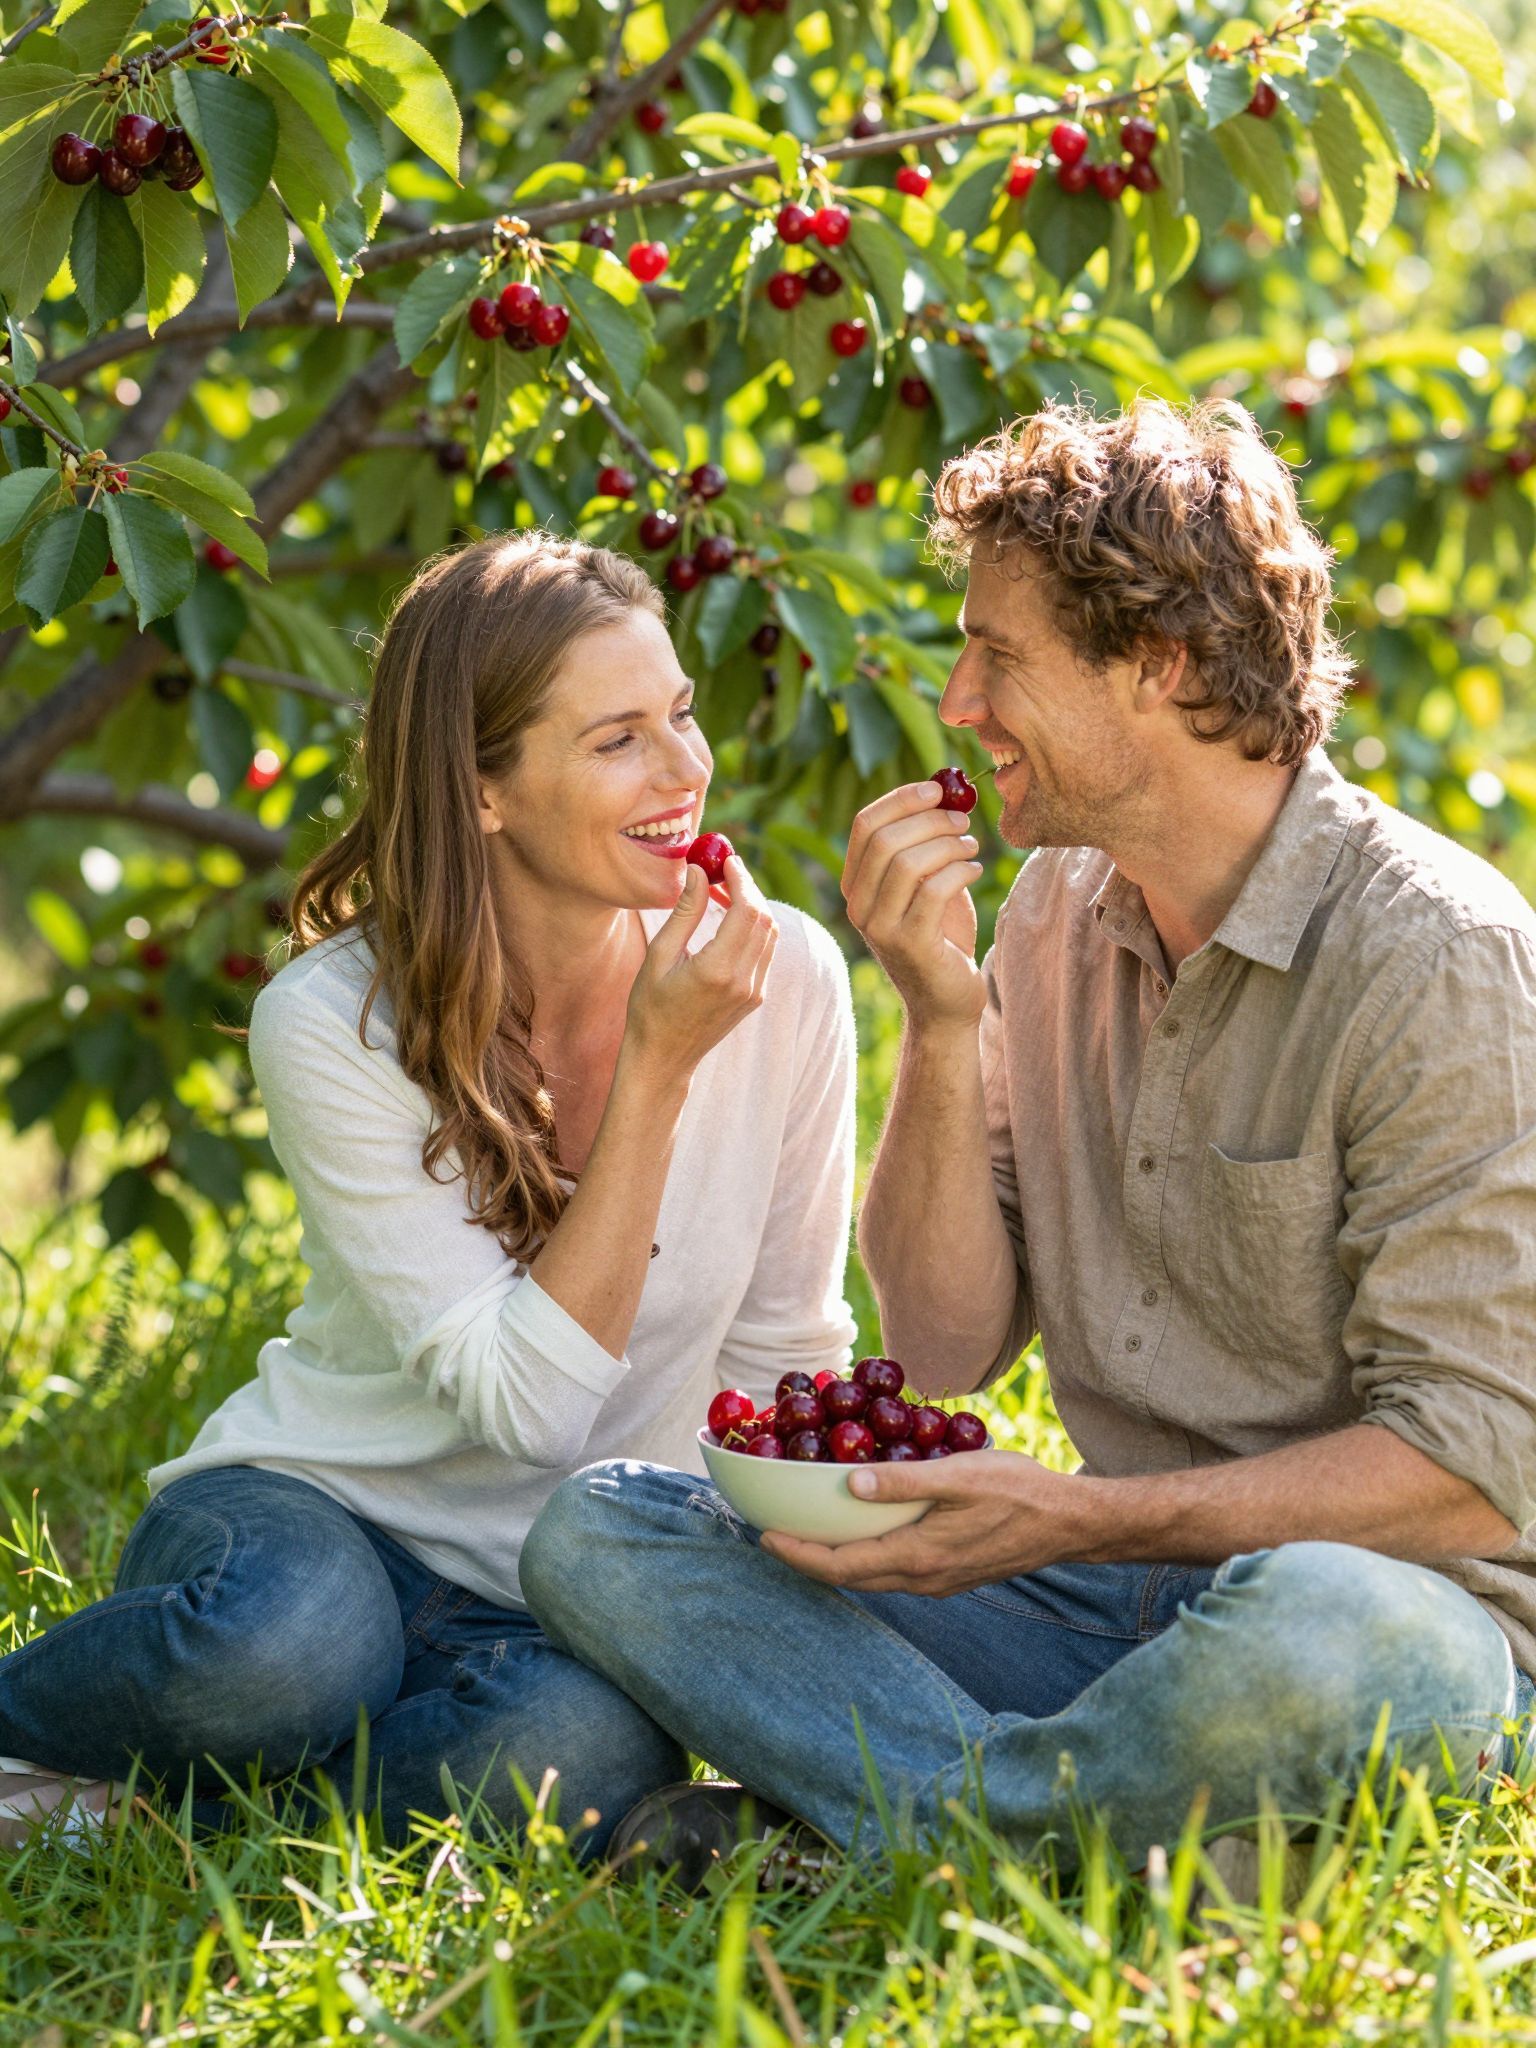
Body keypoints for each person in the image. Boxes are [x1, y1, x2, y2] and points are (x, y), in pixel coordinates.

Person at [520, 398, 1536, 1890]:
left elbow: (1477, 1470)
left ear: (1161, 665)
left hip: (1400, 1626)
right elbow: (941, 1347)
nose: (956, 697)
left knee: (1326, 1624)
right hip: (1106, 1605)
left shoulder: (1439, 964)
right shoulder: (1057, 907)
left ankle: (920, 1832)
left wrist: (1075, 1516)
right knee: (602, 1535)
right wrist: (938, 1019)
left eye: (1000, 651)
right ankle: (1089, 1839)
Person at [0, 533, 859, 1857]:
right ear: (484, 792)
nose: (687, 770)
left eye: (679, 714)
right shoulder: (335, 1018)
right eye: (619, 738)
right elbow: (531, 1407)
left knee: (584, 1749)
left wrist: (743, 1620)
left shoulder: (788, 978)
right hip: (321, 1518)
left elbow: (782, 1354)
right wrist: (656, 1074)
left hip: (559, 1589)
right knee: (287, 1656)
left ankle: (145, 1817)